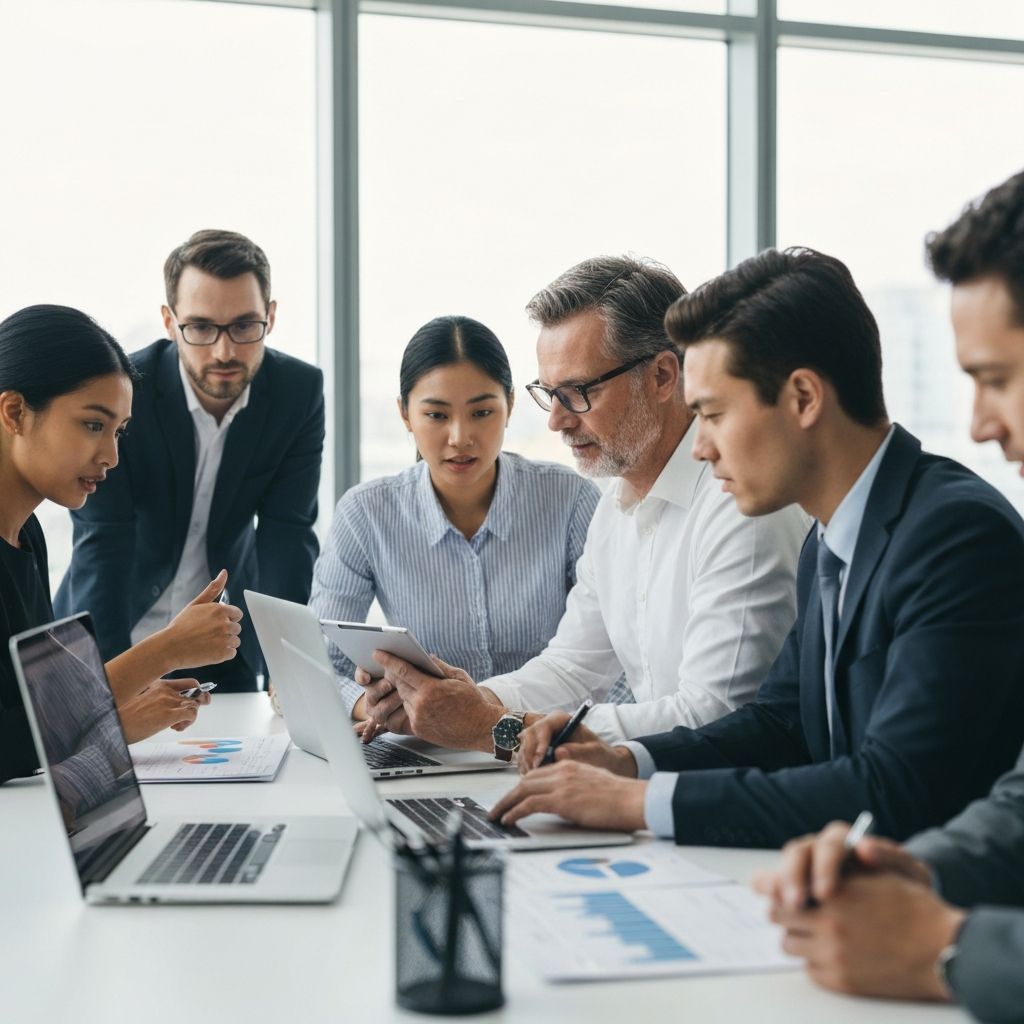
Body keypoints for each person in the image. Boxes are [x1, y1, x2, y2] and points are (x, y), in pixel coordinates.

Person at [487, 246, 1024, 848]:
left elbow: (895, 786)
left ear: (803, 399)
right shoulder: (829, 539)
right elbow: (780, 724)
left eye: (714, 414)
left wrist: (638, 801)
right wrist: (627, 761)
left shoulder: (955, 535)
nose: (700, 447)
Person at [755, 168, 1024, 1024]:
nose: (980, 423)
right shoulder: (821, 542)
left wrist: (949, 949)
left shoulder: (955, 527)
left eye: (998, 378)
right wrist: (912, 870)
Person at [356, 255, 810, 754]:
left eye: (576, 392)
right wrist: (460, 700)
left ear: (662, 376)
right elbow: (572, 666)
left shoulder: (740, 505)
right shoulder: (615, 506)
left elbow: (712, 718)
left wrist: (488, 726)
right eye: (549, 394)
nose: (556, 421)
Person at [55, 229, 324, 692]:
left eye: (245, 326)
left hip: (219, 649)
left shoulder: (296, 393)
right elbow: (103, 542)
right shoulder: (125, 392)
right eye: (200, 328)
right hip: (113, 636)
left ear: (271, 316)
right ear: (169, 321)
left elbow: (288, 539)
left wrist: (289, 673)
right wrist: (115, 688)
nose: (224, 351)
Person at [308, 314, 600, 728]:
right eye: (437, 415)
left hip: (546, 742)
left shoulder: (570, 500)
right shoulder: (366, 514)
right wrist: (378, 708)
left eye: (482, 412)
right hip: (427, 745)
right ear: (405, 413)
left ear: (510, 405)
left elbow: (621, 655)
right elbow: (318, 663)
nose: (460, 437)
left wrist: (600, 742)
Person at [0, 304, 242, 784]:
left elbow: (32, 715)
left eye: (119, 432)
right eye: (94, 424)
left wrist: (109, 717)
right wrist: (164, 651)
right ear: (15, 412)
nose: (111, 456)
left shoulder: (26, 535)